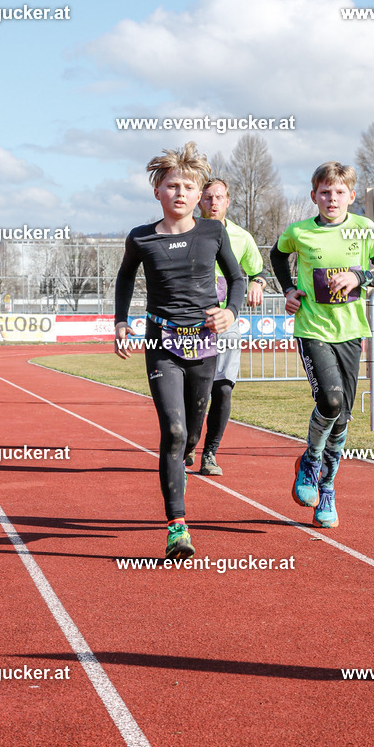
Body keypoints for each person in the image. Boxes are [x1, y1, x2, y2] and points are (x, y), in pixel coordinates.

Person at [114, 144, 244, 560]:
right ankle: (177, 528)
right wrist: (121, 322)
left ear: (199, 191)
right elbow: (123, 280)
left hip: (205, 340)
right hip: (161, 341)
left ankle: (192, 447)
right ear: (158, 191)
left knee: (190, 433)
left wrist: (230, 313)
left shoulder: (213, 232)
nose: (181, 193)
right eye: (172, 186)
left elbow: (238, 280)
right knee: (171, 431)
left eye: (189, 186)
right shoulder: (141, 237)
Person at [270, 161, 374, 528]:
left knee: (342, 417)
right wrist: (288, 290)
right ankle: (311, 459)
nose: (332, 198)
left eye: (340, 192)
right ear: (314, 196)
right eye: (325, 192)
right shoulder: (299, 232)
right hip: (312, 329)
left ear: (351, 196)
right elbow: (278, 256)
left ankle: (327, 488)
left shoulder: (364, 229)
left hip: (351, 331)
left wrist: (359, 275)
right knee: (330, 399)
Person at [185, 177, 267, 475]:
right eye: (207, 198)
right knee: (194, 390)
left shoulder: (242, 237)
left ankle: (210, 453)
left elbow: (259, 271)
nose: (213, 202)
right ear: (199, 201)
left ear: (228, 201)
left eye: (219, 197)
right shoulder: (186, 231)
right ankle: (189, 441)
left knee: (223, 388)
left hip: (227, 322)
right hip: (190, 323)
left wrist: (257, 282)